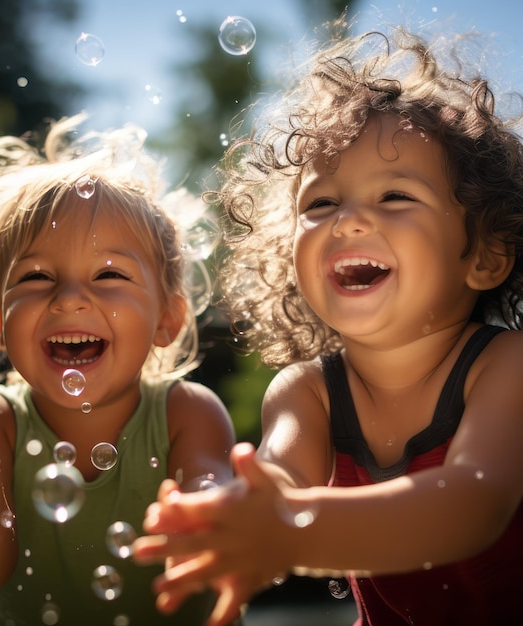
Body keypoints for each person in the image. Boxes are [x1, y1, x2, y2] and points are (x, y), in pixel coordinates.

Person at [132, 28, 523, 626]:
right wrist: (227, 514)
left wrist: (289, 530)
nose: (348, 220)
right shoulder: (305, 392)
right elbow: (278, 480)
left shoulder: (505, 366)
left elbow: (474, 502)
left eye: (395, 195)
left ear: (485, 255)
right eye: (320, 204)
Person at [0, 114, 236, 625]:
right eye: (36, 276)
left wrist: (204, 516)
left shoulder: (187, 415)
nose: (70, 298)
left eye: (108, 273)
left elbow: (209, 516)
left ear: (167, 317)